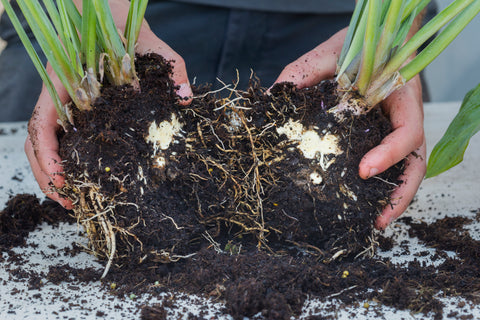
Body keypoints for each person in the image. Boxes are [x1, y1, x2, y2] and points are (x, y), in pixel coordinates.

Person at [0, 0, 428, 230]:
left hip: (344, 24)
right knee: (41, 126)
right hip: (128, 13)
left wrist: (392, 43)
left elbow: (390, 24)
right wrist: (92, 24)